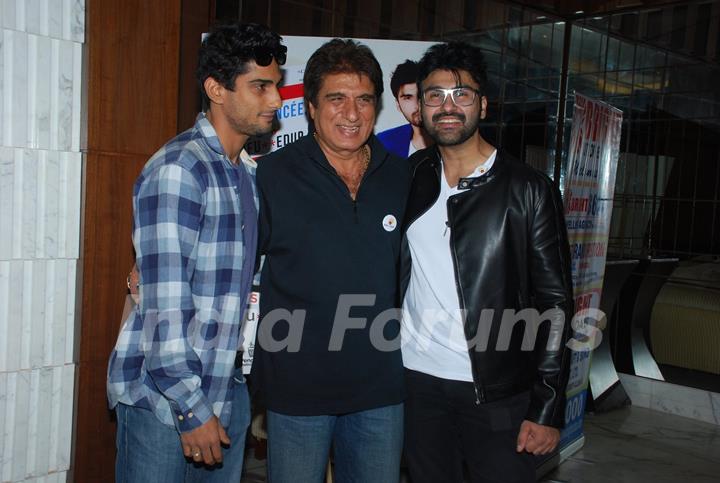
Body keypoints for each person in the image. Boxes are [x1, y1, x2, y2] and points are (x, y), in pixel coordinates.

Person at [107, 23, 285, 483]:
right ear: (216, 89)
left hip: (227, 389)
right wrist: (190, 408)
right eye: (260, 87)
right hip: (166, 401)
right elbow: (164, 304)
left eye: (276, 85)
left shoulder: (244, 175)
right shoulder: (180, 169)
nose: (276, 100)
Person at [400, 41, 574, 483]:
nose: (448, 106)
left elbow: (554, 302)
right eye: (435, 95)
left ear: (483, 103)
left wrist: (547, 405)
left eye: (462, 94)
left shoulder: (528, 189)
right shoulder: (410, 178)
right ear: (420, 107)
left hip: (497, 391)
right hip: (417, 383)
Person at [251, 39, 409, 482]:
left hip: (381, 387)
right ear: (310, 107)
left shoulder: (403, 177)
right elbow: (235, 261)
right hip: (296, 387)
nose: (352, 113)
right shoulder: (272, 174)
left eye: (363, 100)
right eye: (336, 99)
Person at [377, 60, 431, 158]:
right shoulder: (384, 143)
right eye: (407, 98)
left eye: (421, 96)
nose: (417, 105)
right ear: (398, 105)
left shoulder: (454, 139)